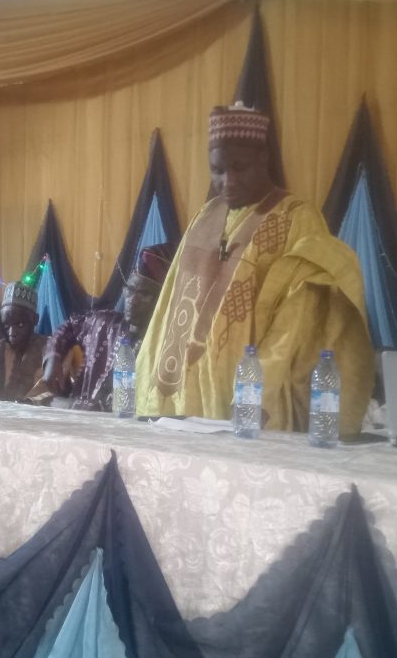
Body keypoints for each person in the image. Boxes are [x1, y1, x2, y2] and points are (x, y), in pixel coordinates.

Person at [135, 104, 374, 434]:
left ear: (264, 159)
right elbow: (167, 309)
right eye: (217, 170)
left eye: (240, 167)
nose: (228, 181)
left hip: (250, 401)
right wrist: (147, 379)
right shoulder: (204, 217)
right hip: (182, 400)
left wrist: (257, 390)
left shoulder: (296, 217)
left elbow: (299, 318)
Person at [42, 243, 174, 410]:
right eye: (130, 289)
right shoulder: (105, 323)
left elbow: (133, 407)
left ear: (161, 301)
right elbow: (69, 326)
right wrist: (53, 358)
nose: (133, 300)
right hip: (74, 420)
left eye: (144, 294)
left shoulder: (162, 347)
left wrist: (72, 406)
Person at [0, 281, 48, 402]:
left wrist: (31, 402)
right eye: (6, 325)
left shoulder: (49, 348)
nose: (12, 332)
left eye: (20, 324)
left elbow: (52, 390)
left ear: (35, 319)